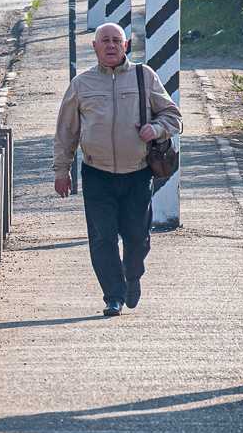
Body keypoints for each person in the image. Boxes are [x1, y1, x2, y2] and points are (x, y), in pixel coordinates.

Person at [53, 22, 181, 316]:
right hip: (96, 175)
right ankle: (113, 296)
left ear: (125, 46)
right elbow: (66, 132)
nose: (110, 46)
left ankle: (132, 277)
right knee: (102, 238)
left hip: (137, 174)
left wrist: (156, 128)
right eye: (104, 41)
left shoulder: (143, 77)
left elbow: (174, 117)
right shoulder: (81, 84)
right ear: (95, 47)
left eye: (116, 41)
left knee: (137, 238)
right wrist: (62, 171)